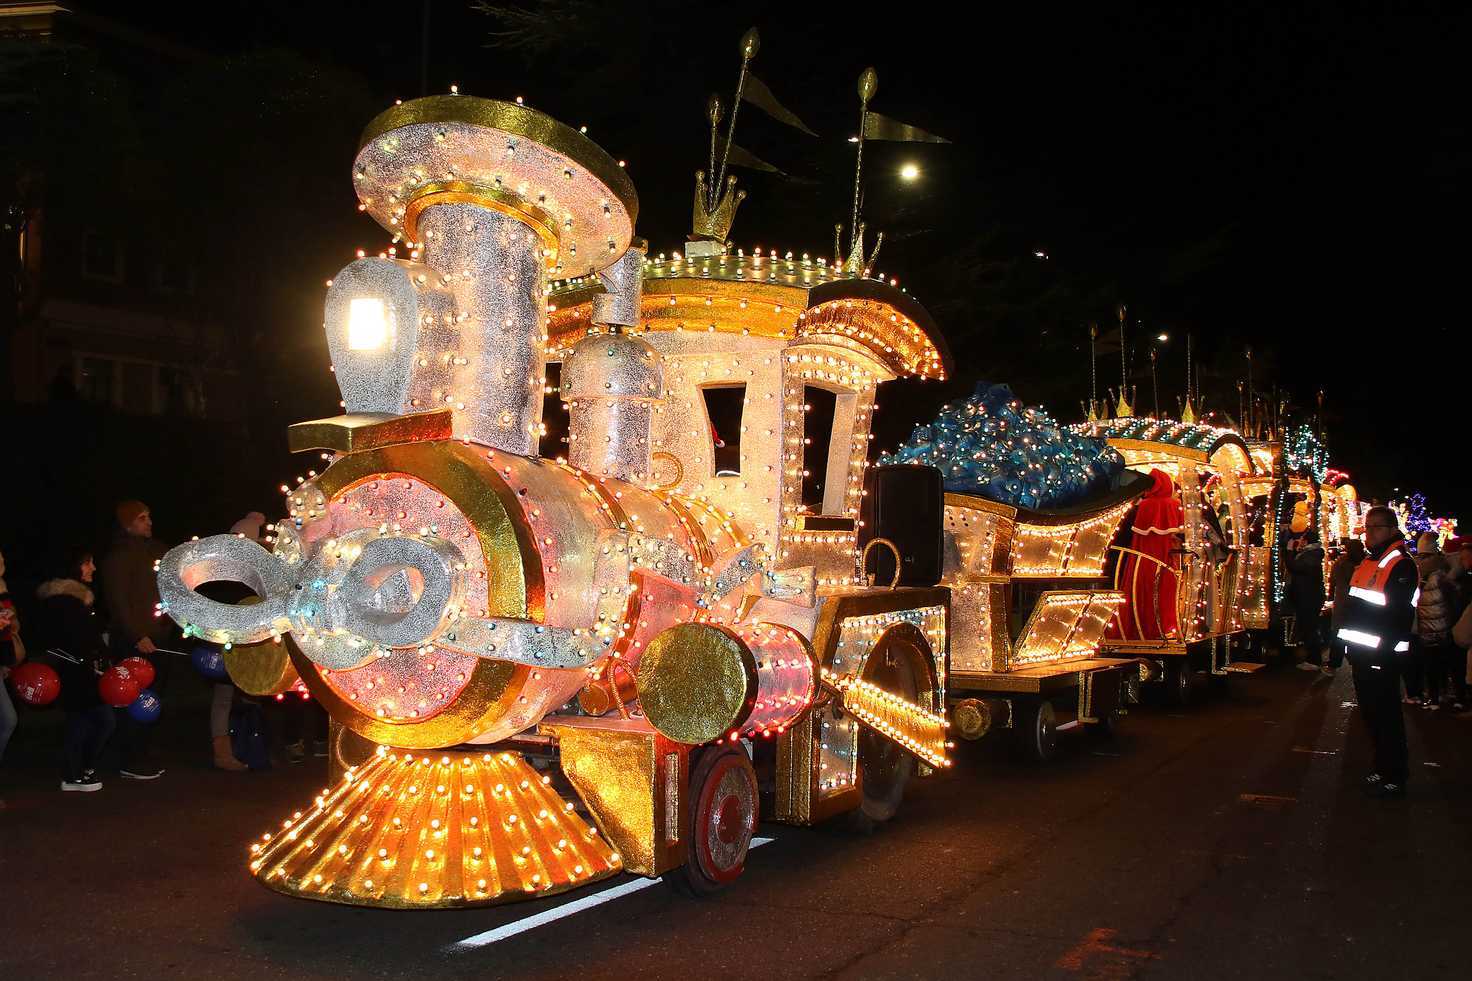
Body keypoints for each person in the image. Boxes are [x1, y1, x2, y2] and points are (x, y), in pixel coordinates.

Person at [1336, 506, 1419, 799]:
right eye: (1367, 527)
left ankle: (1395, 774)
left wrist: (1381, 653)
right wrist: (1346, 645)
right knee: (1372, 715)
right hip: (1362, 653)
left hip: (1382, 656)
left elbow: (1398, 615)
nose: (1368, 533)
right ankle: (1382, 767)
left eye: (1375, 527)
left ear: (1392, 530)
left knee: (1387, 716)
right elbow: (1354, 607)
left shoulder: (1400, 564)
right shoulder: (1369, 562)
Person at [35, 548, 116, 792]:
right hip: (78, 673)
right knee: (97, 721)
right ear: (74, 566)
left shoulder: (77, 600)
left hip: (83, 672)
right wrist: (97, 657)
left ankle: (78, 771)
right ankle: (76, 772)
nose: (92, 568)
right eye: (87, 563)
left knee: (84, 722)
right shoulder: (66, 601)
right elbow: (78, 640)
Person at [99, 500, 170, 780]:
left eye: (149, 516)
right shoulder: (117, 558)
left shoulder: (155, 551)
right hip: (134, 640)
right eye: (142, 518)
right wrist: (136, 635)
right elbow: (118, 603)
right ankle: (129, 758)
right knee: (133, 700)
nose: (148, 522)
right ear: (128, 523)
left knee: (153, 700)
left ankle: (144, 751)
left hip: (157, 637)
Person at [1411, 532, 1454, 710]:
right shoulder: (1442, 570)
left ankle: (1433, 697)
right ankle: (1444, 692)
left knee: (1429, 663)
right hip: (1442, 622)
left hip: (1425, 625)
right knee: (1442, 659)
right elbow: (1450, 595)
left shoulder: (1417, 571)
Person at [1285, 527, 1327, 671]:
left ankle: (1314, 660)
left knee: (1310, 627)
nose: (1300, 541)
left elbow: (1294, 566)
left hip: (1308, 597)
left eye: (1302, 538)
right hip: (1307, 596)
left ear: (1307, 540)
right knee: (1309, 627)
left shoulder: (1312, 555)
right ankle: (1312, 658)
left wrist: (1290, 550)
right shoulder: (1311, 553)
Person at [0, 547, 22, 809]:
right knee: (7, 719)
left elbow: (11, 627)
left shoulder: (2, 588)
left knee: (8, 720)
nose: (3, 561)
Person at [1325, 536, 1364, 676]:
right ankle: (1357, 661)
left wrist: (1330, 596)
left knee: (1338, 635)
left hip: (1343, 602)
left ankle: (1333, 664)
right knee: (1357, 634)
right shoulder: (1365, 563)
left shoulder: (1340, 563)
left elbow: (1332, 581)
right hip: (1358, 603)